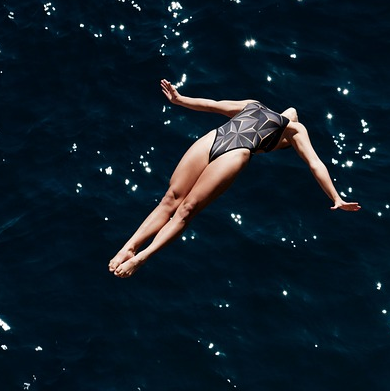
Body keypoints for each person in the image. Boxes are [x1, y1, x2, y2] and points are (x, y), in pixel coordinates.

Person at [109, 79, 361, 277]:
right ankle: (139, 255)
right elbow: (315, 163)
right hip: (235, 152)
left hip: (217, 137)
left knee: (171, 200)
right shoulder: (294, 129)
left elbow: (213, 105)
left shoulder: (254, 105)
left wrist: (180, 100)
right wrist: (335, 197)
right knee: (185, 210)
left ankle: (130, 249)